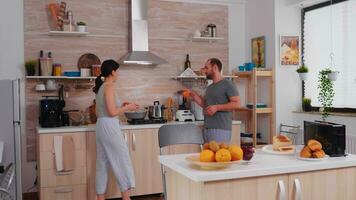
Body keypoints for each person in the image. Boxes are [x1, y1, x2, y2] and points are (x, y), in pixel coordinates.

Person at [93, 60, 138, 200]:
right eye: (117, 71)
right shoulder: (109, 86)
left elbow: (98, 111)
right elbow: (112, 112)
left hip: (101, 126)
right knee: (122, 160)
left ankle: (100, 198)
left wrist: (122, 104)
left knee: (102, 163)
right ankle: (126, 198)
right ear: (112, 72)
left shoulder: (101, 87)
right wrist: (128, 107)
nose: (118, 74)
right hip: (110, 127)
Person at [189, 58, 240, 143]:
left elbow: (237, 104)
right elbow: (205, 104)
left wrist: (217, 107)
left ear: (215, 68)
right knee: (208, 156)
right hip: (207, 129)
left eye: (206, 67)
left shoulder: (228, 84)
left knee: (219, 156)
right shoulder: (210, 87)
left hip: (220, 130)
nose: (205, 71)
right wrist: (193, 94)